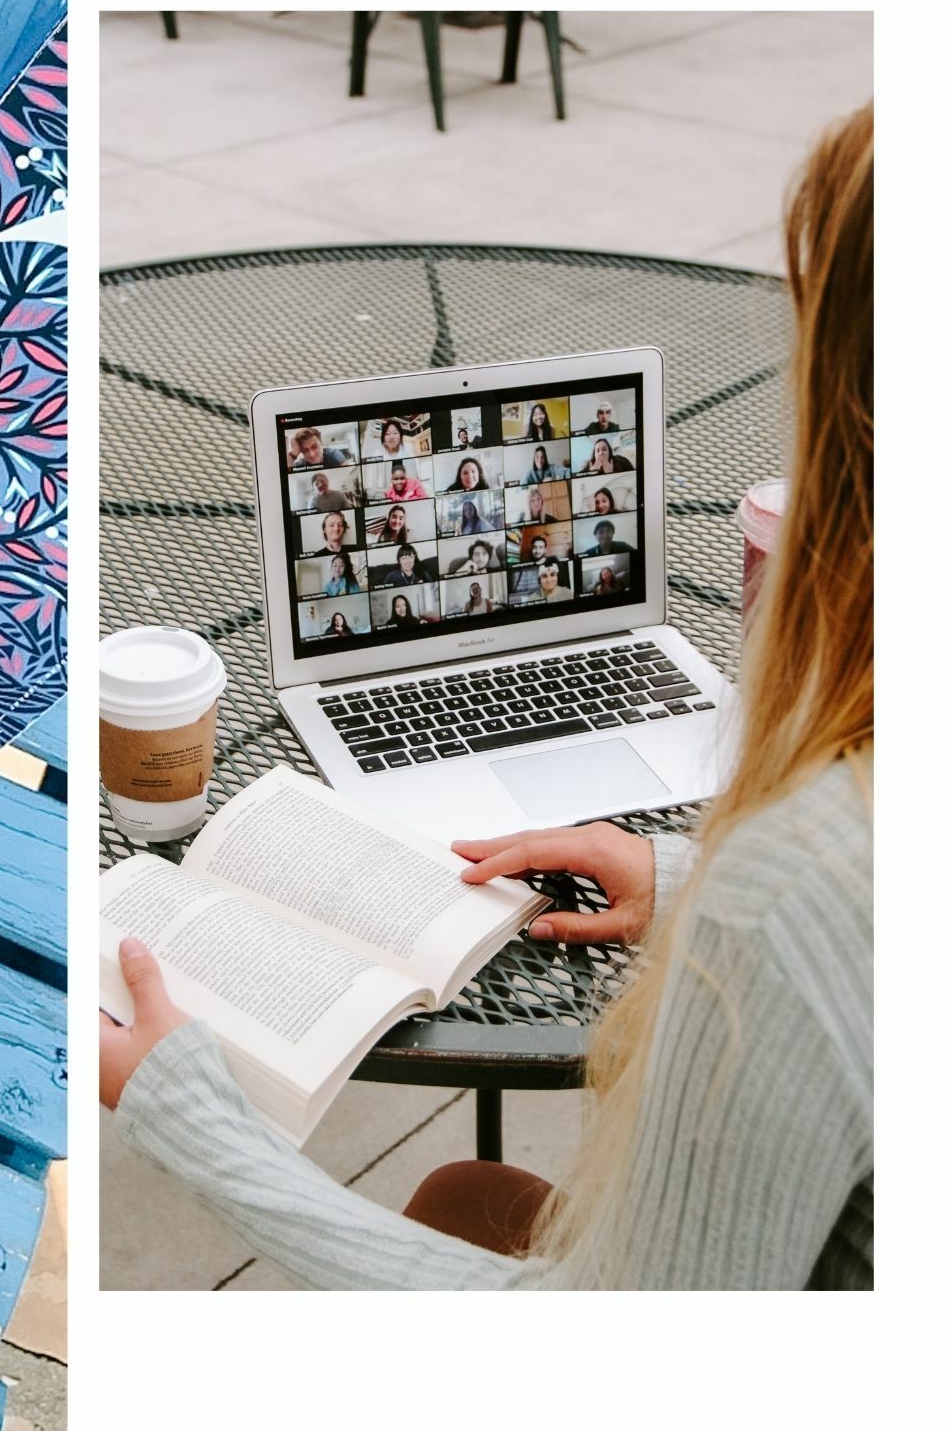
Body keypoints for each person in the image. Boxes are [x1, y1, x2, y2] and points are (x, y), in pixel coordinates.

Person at [100, 103, 873, 1289]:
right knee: (468, 1189)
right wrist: (677, 875)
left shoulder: (801, 881)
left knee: (457, 1200)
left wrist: (191, 1117)